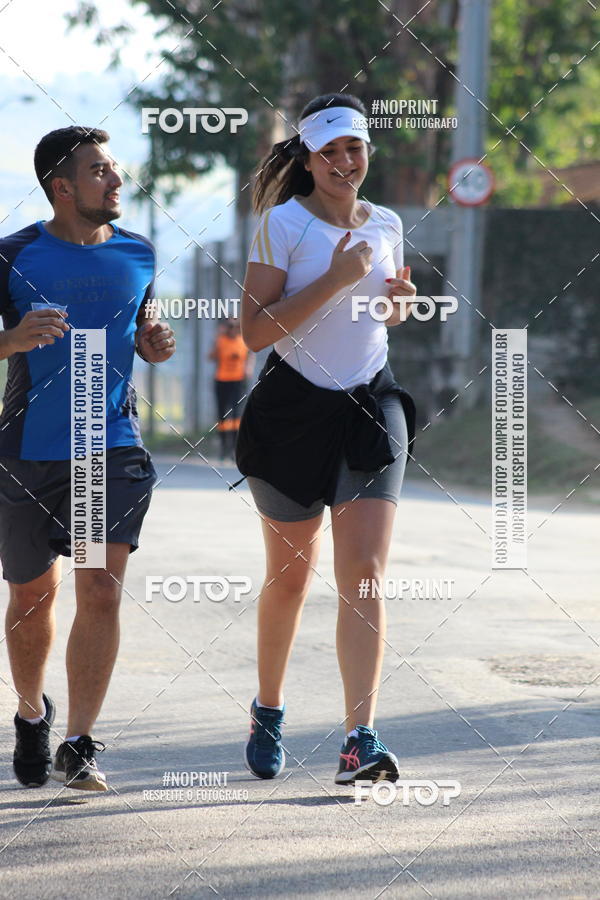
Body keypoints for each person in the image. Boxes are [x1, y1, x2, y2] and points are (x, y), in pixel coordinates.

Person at [235, 92, 417, 785]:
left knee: (364, 573)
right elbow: (255, 331)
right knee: (290, 578)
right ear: (308, 159)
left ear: (368, 151)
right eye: (330, 151)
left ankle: (357, 741)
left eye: (355, 148)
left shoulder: (388, 222)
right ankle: (269, 708)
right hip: (292, 412)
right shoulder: (281, 224)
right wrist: (337, 280)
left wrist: (396, 308)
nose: (345, 161)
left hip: (371, 406)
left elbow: (381, 317)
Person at [0, 126, 176, 791]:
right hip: (27, 451)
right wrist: (11, 340)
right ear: (63, 187)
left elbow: (140, 331)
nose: (116, 180)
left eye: (114, 168)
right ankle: (30, 713)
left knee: (99, 589)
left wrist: (154, 343)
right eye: (100, 170)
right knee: (31, 596)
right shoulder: (12, 255)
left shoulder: (138, 252)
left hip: (108, 446)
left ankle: (78, 743)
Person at [208, 318, 254, 460]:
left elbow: (250, 354)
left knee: (237, 415)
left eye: (235, 326)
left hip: (238, 382)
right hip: (222, 381)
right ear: (226, 327)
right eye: (230, 326)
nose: (233, 329)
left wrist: (248, 367)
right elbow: (210, 357)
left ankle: (235, 447)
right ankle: (224, 447)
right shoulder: (220, 340)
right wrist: (216, 339)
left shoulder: (243, 340)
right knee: (222, 414)